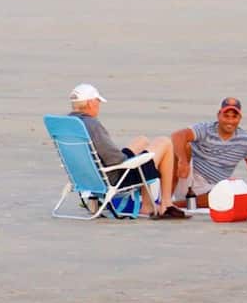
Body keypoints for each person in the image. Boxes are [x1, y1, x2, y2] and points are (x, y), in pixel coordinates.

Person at [65, 83, 189, 219]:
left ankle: (147, 205)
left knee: (142, 141)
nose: (99, 105)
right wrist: (134, 159)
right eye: (97, 101)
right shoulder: (92, 125)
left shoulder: (70, 123)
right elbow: (115, 160)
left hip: (86, 176)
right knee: (164, 142)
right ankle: (166, 204)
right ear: (90, 103)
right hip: (114, 176)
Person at [168, 97, 247, 208]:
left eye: (234, 117)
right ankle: (167, 197)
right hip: (186, 176)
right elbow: (177, 135)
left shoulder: (246, 141)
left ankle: (174, 205)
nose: (230, 121)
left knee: (228, 196)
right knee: (182, 146)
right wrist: (183, 161)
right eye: (226, 116)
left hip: (210, 187)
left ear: (240, 118)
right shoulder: (206, 129)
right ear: (219, 115)